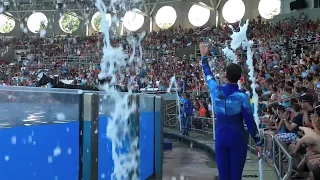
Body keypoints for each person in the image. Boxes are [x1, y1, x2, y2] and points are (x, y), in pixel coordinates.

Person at [199, 43, 263, 180]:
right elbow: (250, 121)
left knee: (224, 177)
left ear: (225, 75)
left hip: (221, 137)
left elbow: (208, 74)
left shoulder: (216, 91)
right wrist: (258, 143)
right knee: (235, 177)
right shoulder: (242, 97)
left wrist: (204, 57)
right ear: (240, 78)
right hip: (237, 138)